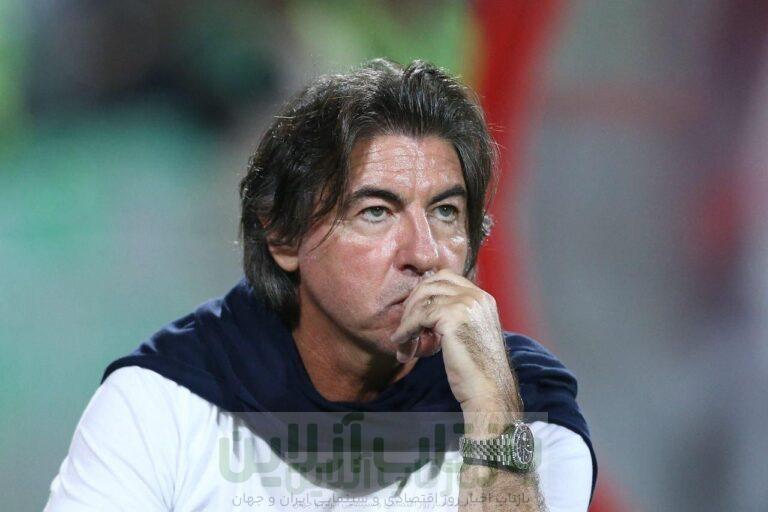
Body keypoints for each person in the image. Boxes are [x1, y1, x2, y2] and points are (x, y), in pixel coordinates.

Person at [45, 59, 596, 511]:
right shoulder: (162, 401)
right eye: (376, 212)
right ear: (283, 236)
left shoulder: (525, 401)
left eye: (446, 212)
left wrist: (493, 413)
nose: (425, 254)